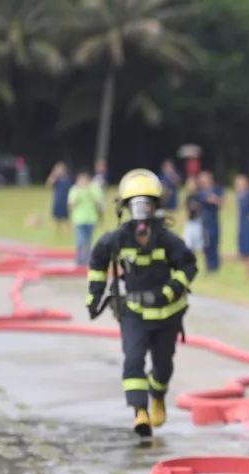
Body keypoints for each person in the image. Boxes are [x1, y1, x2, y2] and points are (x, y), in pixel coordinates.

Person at [86, 169, 198, 438]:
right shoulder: (116, 240)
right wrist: (94, 295)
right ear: (125, 208)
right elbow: (98, 262)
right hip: (134, 313)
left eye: (146, 204)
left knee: (163, 365)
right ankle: (140, 412)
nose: (141, 212)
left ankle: (157, 395)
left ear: (155, 207)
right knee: (133, 360)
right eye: (135, 205)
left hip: (167, 315)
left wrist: (173, 289)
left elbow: (189, 265)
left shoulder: (168, 240)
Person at [67, 170, 105, 266]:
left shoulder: (94, 189)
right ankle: (79, 260)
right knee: (80, 240)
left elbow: (99, 203)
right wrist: (80, 192)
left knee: (88, 241)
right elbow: (71, 204)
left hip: (91, 219)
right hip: (79, 219)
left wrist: (89, 192)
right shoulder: (75, 189)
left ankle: (87, 260)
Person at [196, 171, 224, 272]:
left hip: (214, 221)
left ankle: (215, 266)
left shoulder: (217, 189)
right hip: (204, 222)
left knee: (215, 243)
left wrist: (214, 199)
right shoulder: (200, 192)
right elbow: (208, 200)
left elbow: (221, 202)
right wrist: (214, 199)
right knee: (206, 245)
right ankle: (209, 266)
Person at [46, 162, 73, 235]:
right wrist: (53, 175)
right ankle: (57, 232)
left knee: (66, 218)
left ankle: (68, 231)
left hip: (66, 200)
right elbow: (48, 185)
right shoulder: (57, 179)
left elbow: (72, 189)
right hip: (57, 200)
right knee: (56, 218)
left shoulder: (68, 179)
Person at [182, 188, 204, 255]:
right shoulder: (189, 197)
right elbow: (187, 208)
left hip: (198, 221)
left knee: (199, 245)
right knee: (187, 242)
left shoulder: (200, 197)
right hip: (190, 222)